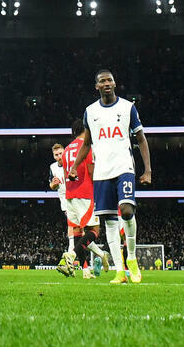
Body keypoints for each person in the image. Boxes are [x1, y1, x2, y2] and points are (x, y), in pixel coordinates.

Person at [69, 70, 152, 284]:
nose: (107, 83)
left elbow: (141, 139)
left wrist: (147, 170)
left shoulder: (127, 108)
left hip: (124, 166)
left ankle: (131, 259)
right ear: (96, 86)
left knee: (126, 210)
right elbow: (87, 143)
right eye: (102, 81)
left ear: (115, 84)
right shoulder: (90, 111)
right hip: (102, 172)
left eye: (110, 80)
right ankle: (119, 271)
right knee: (110, 222)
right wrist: (75, 166)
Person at [62, 119, 109, 279]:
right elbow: (91, 170)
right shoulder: (87, 146)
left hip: (70, 194)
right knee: (94, 230)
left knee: (77, 233)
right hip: (85, 193)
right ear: (85, 129)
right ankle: (72, 256)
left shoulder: (66, 149)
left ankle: (85, 272)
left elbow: (64, 175)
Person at [48, 143, 75, 275]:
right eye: (56, 155)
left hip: (78, 198)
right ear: (53, 156)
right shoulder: (52, 168)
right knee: (73, 227)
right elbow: (51, 185)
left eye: (61, 153)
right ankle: (70, 257)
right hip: (66, 202)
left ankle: (99, 254)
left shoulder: (72, 163)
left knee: (84, 230)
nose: (59, 156)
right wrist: (53, 184)